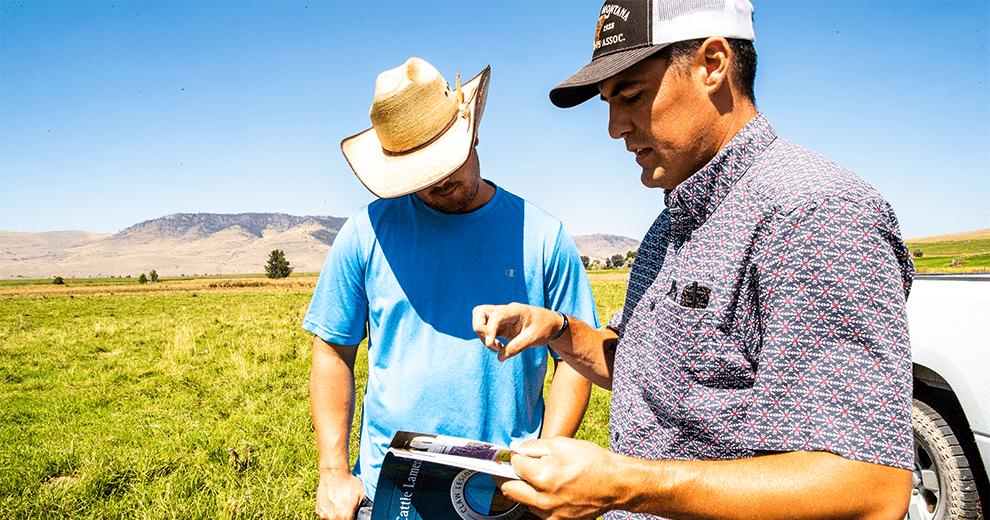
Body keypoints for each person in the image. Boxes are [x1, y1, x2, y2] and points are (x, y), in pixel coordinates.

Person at [472, 1, 915, 519]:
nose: (614, 127)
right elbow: (643, 370)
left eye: (630, 95)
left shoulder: (814, 212)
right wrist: (558, 330)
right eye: (608, 103)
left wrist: (625, 486)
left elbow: (871, 486)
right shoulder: (671, 224)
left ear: (713, 64)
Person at [303, 57, 600, 520]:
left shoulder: (543, 237)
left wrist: (541, 461)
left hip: (507, 494)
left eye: (447, 159)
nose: (440, 180)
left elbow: (575, 362)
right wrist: (332, 472)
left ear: (472, 132)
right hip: (391, 493)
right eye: (422, 171)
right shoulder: (365, 233)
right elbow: (332, 351)